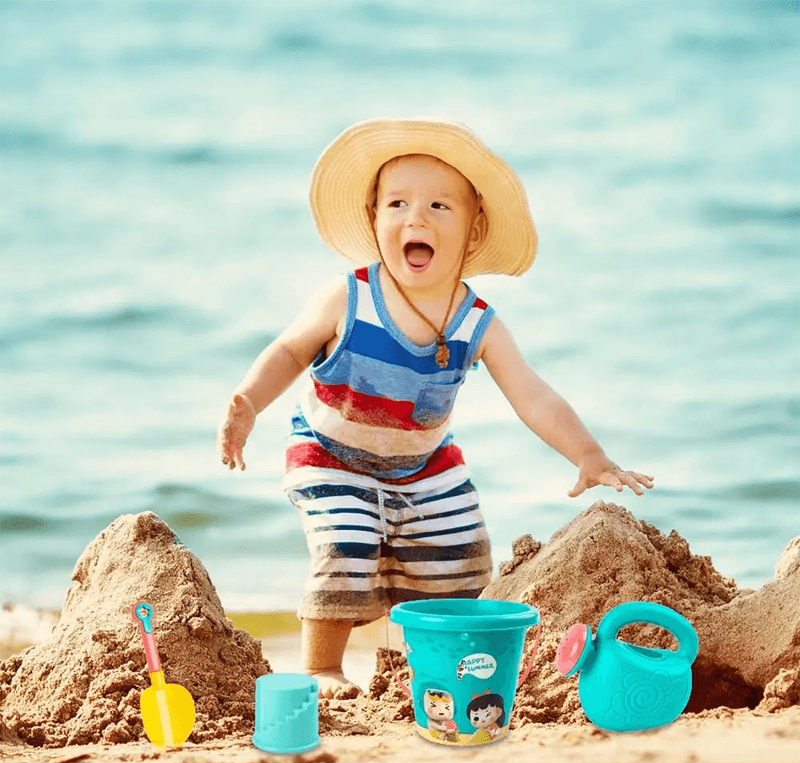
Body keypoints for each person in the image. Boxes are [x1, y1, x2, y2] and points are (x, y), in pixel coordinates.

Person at [217, 119, 654, 698]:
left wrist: (588, 454)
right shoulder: (348, 295)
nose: (416, 218)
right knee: (344, 543)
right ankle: (322, 665)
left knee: (460, 560)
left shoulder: (476, 321)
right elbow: (290, 350)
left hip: (425, 463)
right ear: (375, 222)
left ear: (473, 232)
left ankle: (415, 665)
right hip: (330, 453)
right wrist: (249, 401)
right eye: (397, 203)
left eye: (439, 207)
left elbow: (532, 394)